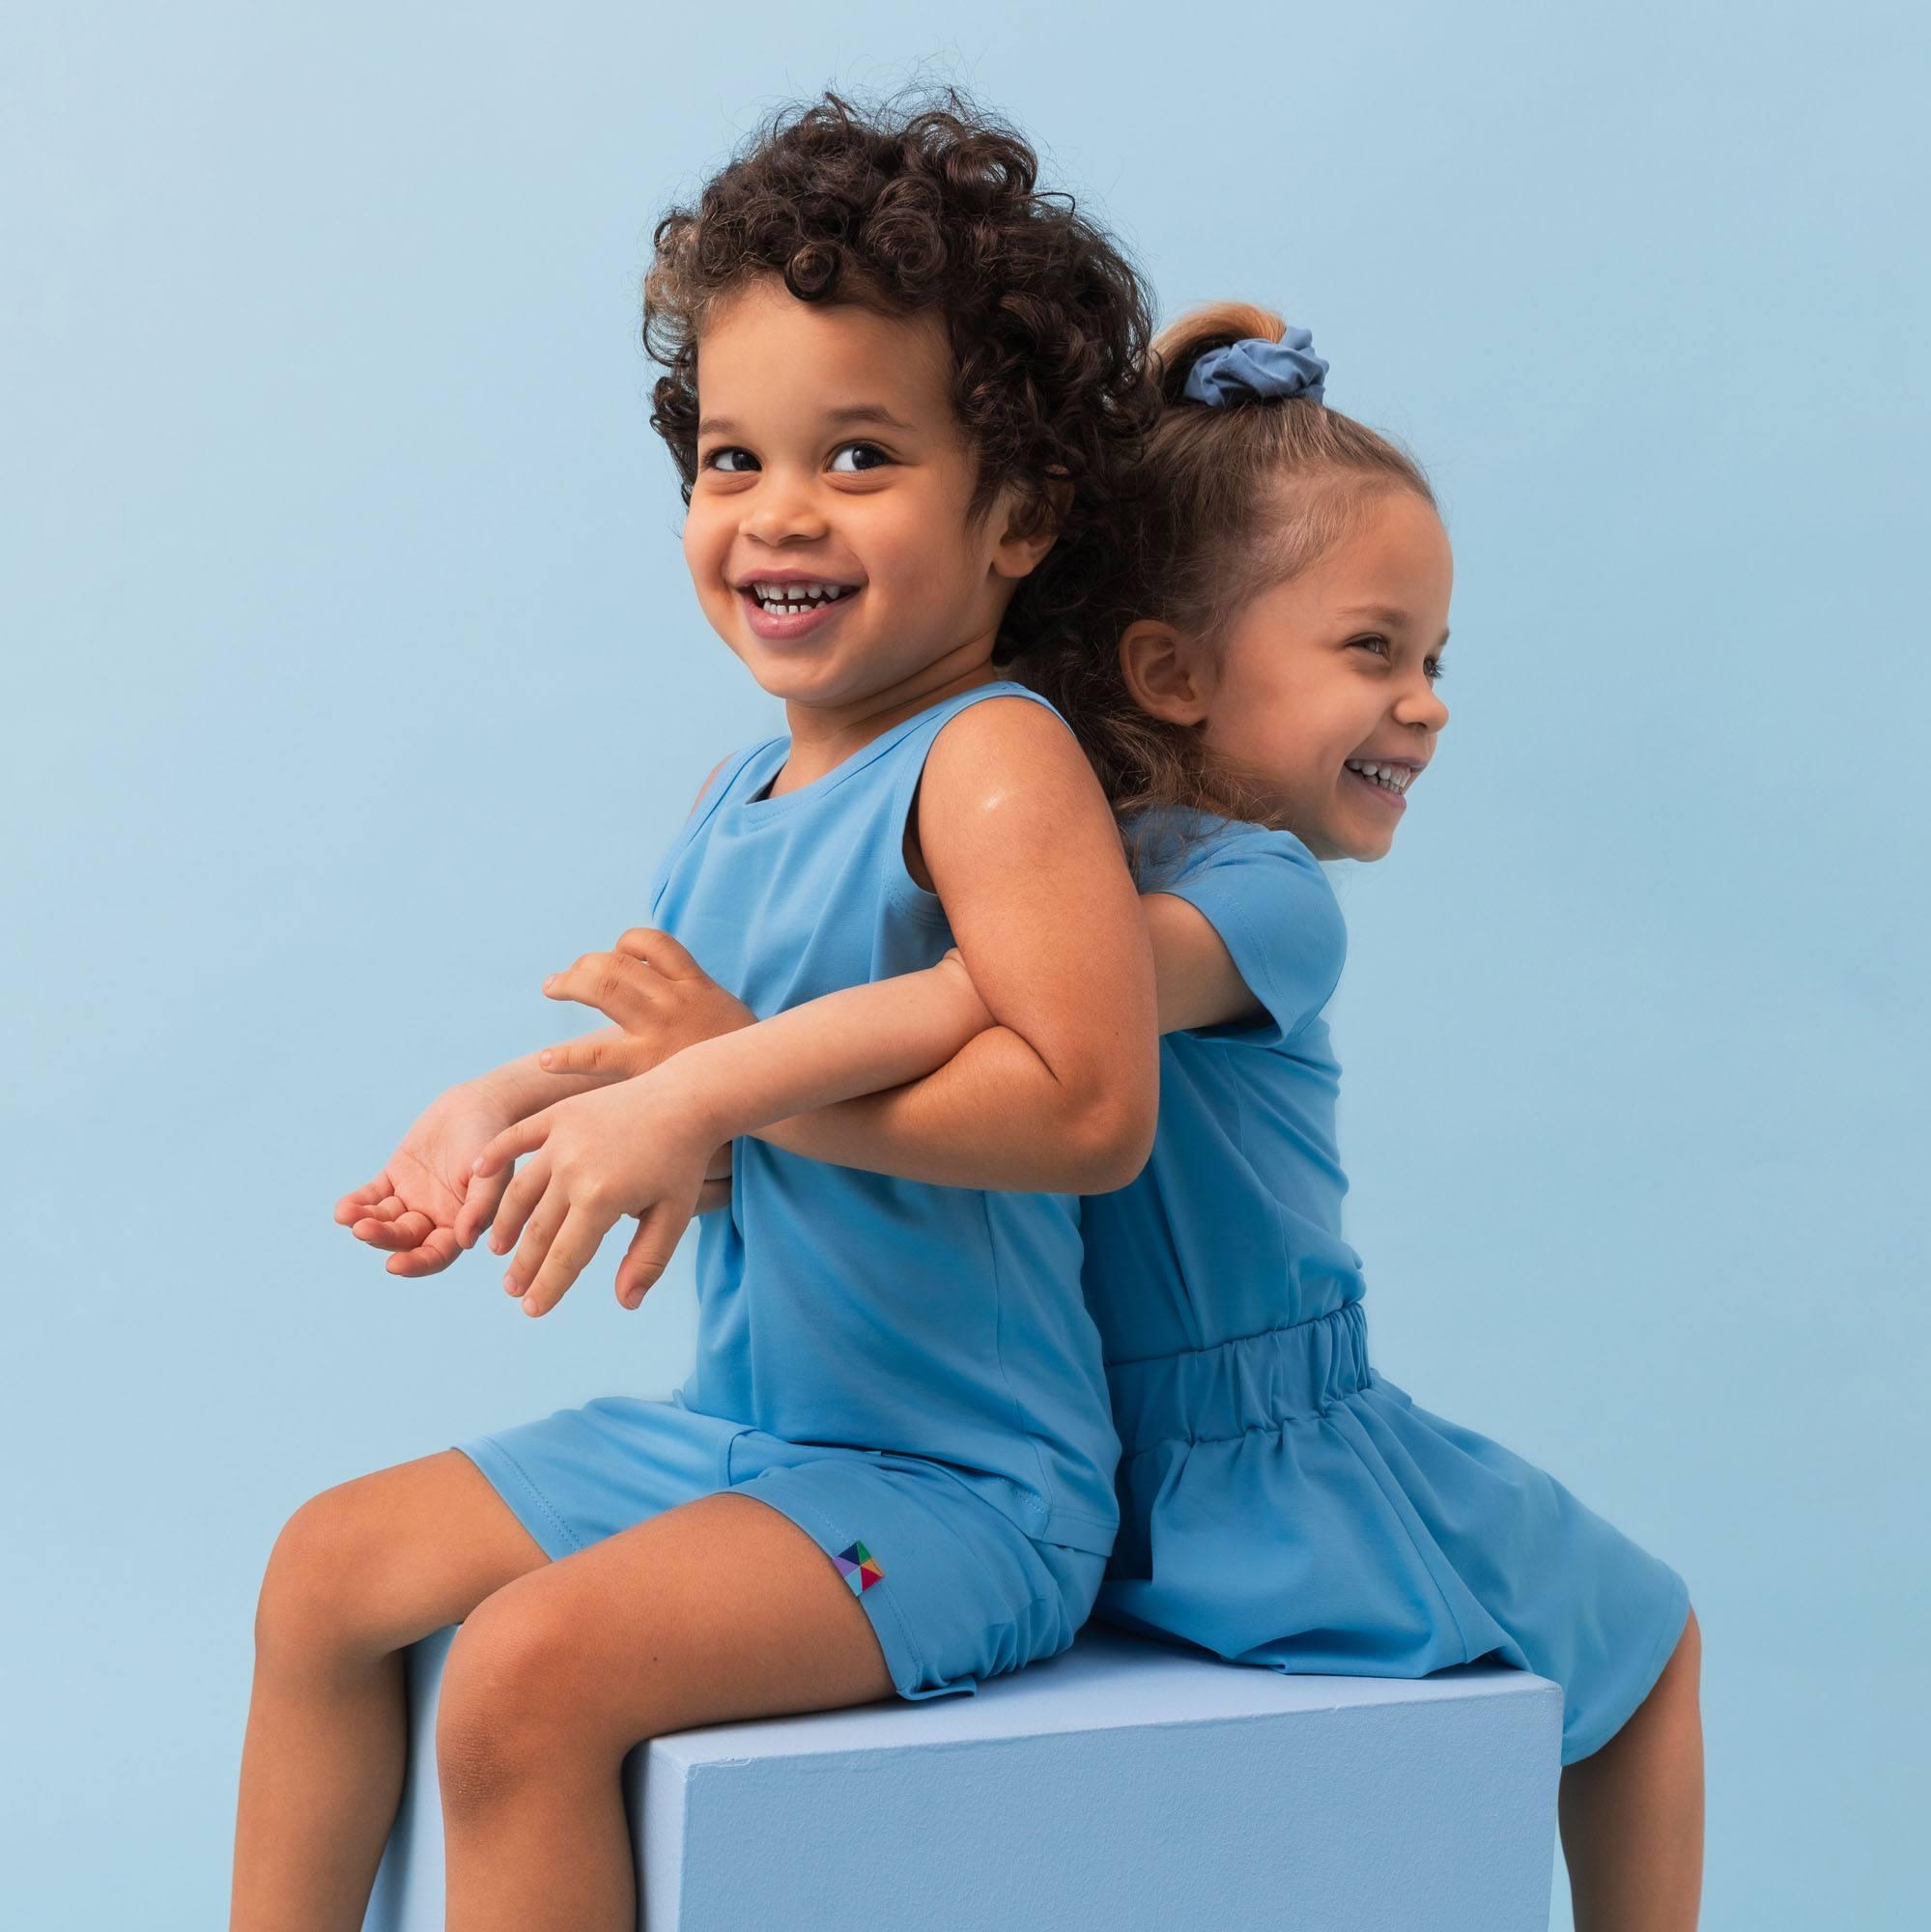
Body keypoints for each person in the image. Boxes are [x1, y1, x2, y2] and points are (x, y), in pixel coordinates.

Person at [575, 303, 1705, 1931]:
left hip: (1072, 1442)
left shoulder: (1101, 868)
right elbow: (1014, 1007)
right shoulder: (1248, 883)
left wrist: (721, 1071)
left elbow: (984, 1008)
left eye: (1433, 660)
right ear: (1167, 666)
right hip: (1264, 1475)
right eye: (1375, 649)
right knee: (1653, 1640)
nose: (1429, 702)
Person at [232, 92, 1158, 1932]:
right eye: (732, 460)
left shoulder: (989, 762)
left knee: (525, 1673)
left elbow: (1084, 1111)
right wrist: (508, 1112)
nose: (777, 514)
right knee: (326, 1569)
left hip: (962, 1491)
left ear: (1024, 514)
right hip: (743, 1434)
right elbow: (708, 1125)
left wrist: (707, 1098)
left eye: (863, 455)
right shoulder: (735, 802)